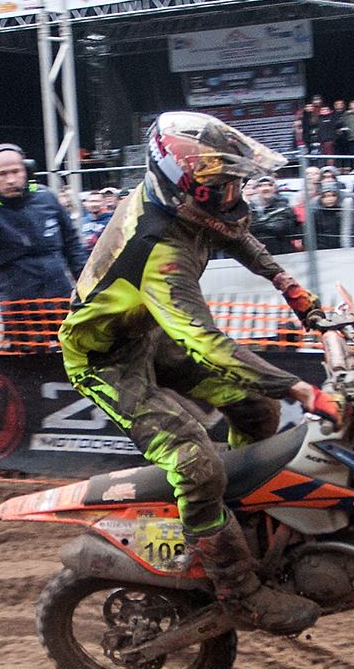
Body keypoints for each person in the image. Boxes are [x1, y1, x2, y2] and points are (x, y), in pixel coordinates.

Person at [59, 112, 331, 636]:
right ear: (189, 188)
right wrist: (300, 388)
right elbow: (207, 343)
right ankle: (237, 590)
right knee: (194, 462)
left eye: (235, 184)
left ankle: (238, 519)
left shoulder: (184, 205)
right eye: (223, 186)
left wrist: (289, 286)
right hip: (106, 360)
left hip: (147, 335)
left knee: (256, 410)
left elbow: (233, 234)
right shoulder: (159, 248)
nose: (234, 195)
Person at [0, 144, 87, 304]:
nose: (11, 180)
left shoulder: (47, 198)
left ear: (27, 171)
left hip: (61, 301)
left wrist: (88, 287)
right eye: (2, 174)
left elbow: (73, 245)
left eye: (16, 171)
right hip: (19, 310)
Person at [244, 176, 301, 254]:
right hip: (257, 253)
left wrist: (259, 225)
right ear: (256, 189)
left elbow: (282, 227)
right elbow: (248, 230)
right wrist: (269, 224)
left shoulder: (284, 206)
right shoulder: (248, 209)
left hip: (282, 251)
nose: (265, 188)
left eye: (269, 185)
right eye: (261, 186)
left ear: (274, 188)